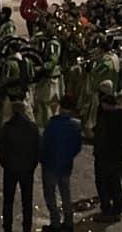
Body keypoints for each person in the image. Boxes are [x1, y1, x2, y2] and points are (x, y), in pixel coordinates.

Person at [40, 95, 84, 232]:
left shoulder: (52, 123)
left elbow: (44, 143)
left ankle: (55, 222)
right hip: (65, 165)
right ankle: (68, 221)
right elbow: (77, 146)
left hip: (50, 163)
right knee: (65, 193)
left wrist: (42, 158)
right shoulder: (76, 125)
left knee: (50, 194)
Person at [0, 100, 41, 232]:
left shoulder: (7, 128)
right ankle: (27, 227)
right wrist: (32, 164)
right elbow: (38, 148)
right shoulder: (32, 128)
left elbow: (1, 149)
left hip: (10, 169)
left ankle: (7, 227)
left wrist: (5, 164)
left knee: (8, 201)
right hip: (27, 169)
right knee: (27, 202)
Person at [92, 80, 122, 223]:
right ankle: (117, 209)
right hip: (116, 156)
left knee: (102, 183)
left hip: (104, 156)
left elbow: (101, 137)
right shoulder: (121, 116)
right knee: (115, 183)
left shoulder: (106, 118)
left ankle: (106, 210)